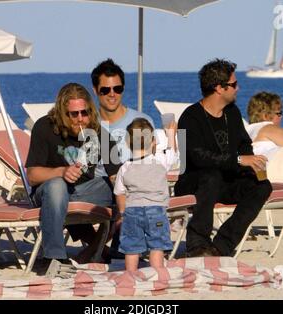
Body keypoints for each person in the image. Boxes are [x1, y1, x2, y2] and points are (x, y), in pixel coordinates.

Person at [174, 59, 272, 257]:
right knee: (210, 176)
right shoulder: (190, 117)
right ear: (219, 88)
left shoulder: (232, 113)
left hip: (226, 181)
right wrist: (238, 160)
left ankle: (221, 246)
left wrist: (251, 162)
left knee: (262, 186)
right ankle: (198, 245)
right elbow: (197, 157)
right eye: (234, 84)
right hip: (194, 182)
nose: (238, 88)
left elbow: (244, 144)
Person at [25, 83, 121, 264]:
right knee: (57, 186)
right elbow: (32, 176)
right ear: (62, 113)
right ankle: (54, 257)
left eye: (84, 113)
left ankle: (120, 248)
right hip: (48, 193)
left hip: (83, 192)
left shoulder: (97, 132)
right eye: (74, 114)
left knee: (123, 187)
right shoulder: (45, 127)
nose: (80, 119)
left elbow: (118, 174)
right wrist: (62, 171)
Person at [91, 58, 155, 254]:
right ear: (95, 90)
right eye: (105, 90)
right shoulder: (88, 123)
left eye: (117, 89)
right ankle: (109, 248)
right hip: (98, 187)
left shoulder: (141, 121)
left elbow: (150, 163)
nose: (112, 94)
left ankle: (117, 249)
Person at [114, 118, 177, 271]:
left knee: (132, 247)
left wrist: (122, 213)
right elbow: (173, 154)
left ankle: (131, 275)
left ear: (128, 144)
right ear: (154, 141)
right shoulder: (160, 160)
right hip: (156, 211)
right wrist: (171, 135)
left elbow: (119, 193)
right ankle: (157, 273)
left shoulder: (125, 167)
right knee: (157, 245)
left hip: (132, 211)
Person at [246, 91, 283, 162]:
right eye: (279, 113)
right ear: (265, 116)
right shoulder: (268, 127)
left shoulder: (247, 131)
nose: (281, 117)